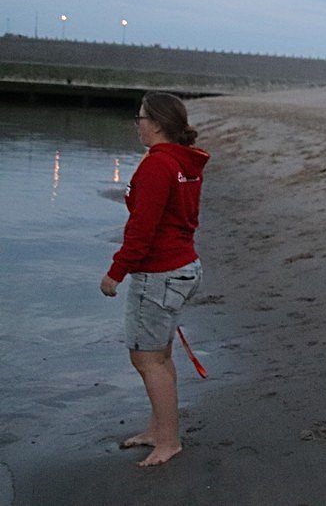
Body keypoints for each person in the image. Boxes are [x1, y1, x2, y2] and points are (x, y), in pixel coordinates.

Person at [99, 92, 209, 467]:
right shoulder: (182, 162)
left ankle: (169, 440)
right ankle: (158, 428)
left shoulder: (159, 166)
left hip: (161, 274)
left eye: (142, 117)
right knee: (159, 354)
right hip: (181, 268)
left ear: (158, 123)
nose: (138, 123)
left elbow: (141, 229)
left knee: (147, 359)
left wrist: (116, 272)